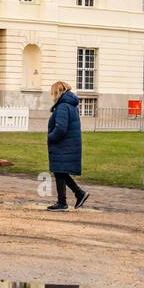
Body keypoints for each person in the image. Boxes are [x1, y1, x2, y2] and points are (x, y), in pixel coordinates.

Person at [46, 80, 89, 211]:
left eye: (53, 93)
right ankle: (76, 195)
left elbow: (61, 128)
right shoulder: (71, 105)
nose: (53, 96)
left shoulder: (63, 106)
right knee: (60, 172)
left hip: (63, 145)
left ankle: (65, 201)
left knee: (59, 171)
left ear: (58, 92)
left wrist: (50, 136)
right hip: (69, 144)